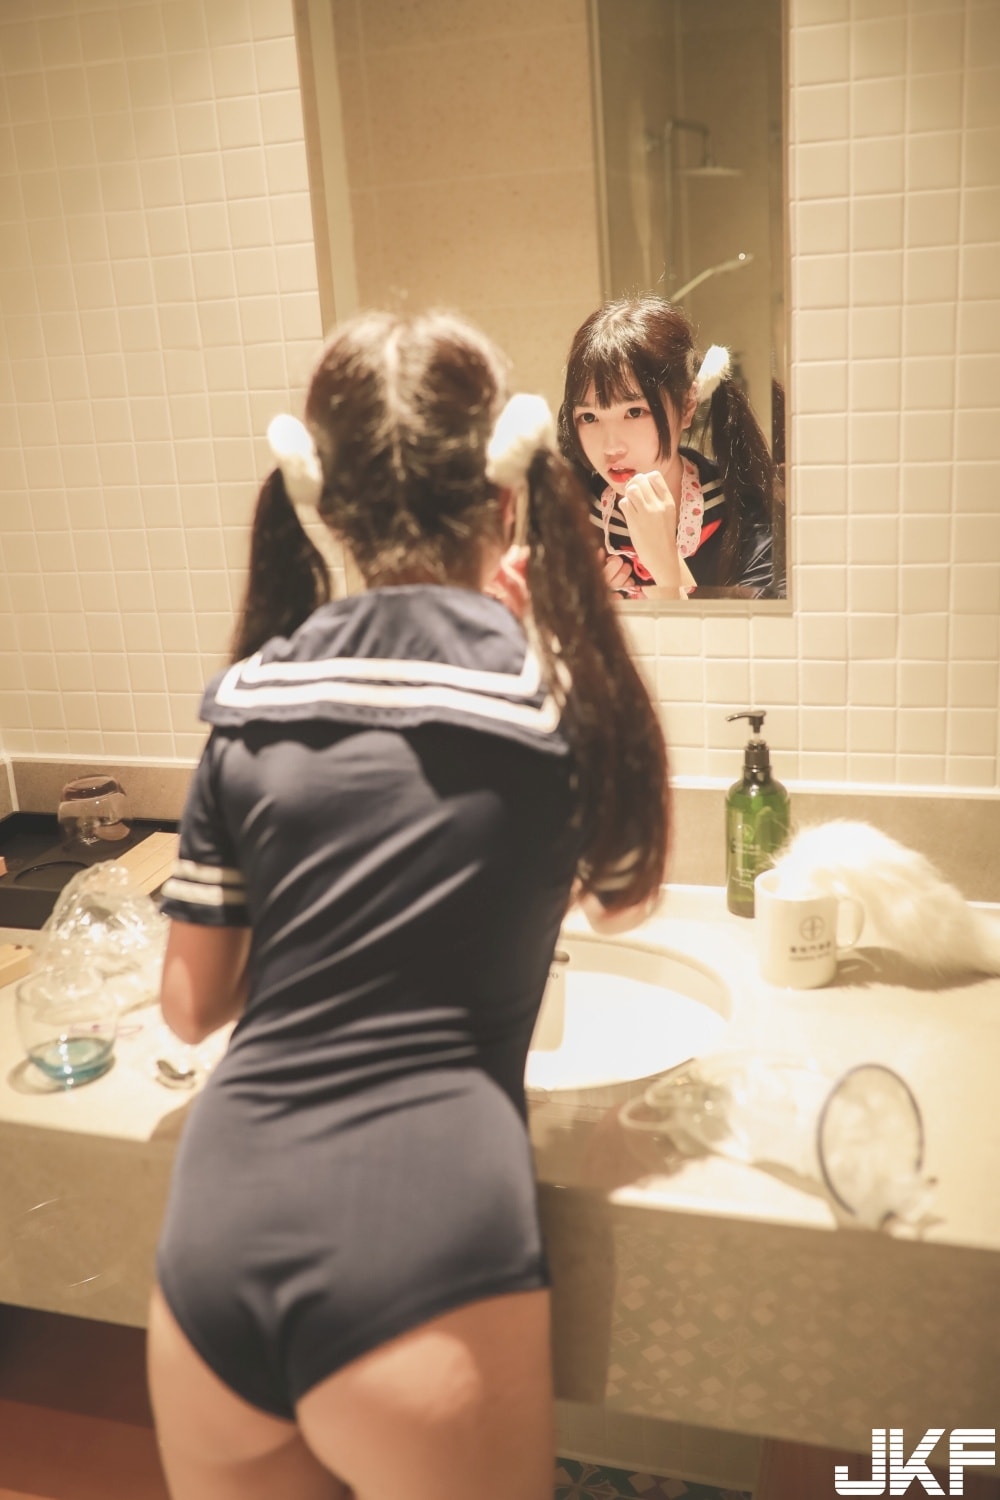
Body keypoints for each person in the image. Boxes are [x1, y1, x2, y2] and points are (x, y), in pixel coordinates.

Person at [146, 309, 670, 1500]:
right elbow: (626, 901)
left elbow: (189, 1007)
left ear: (320, 500)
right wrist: (541, 634)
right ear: (506, 491)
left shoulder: (250, 697)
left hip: (213, 1251)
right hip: (424, 1254)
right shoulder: (546, 700)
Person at [558, 296, 785, 600]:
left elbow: (758, 630)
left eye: (634, 412)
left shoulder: (744, 517)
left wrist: (665, 564)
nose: (611, 447)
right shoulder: (569, 515)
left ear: (687, 407)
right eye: (589, 417)